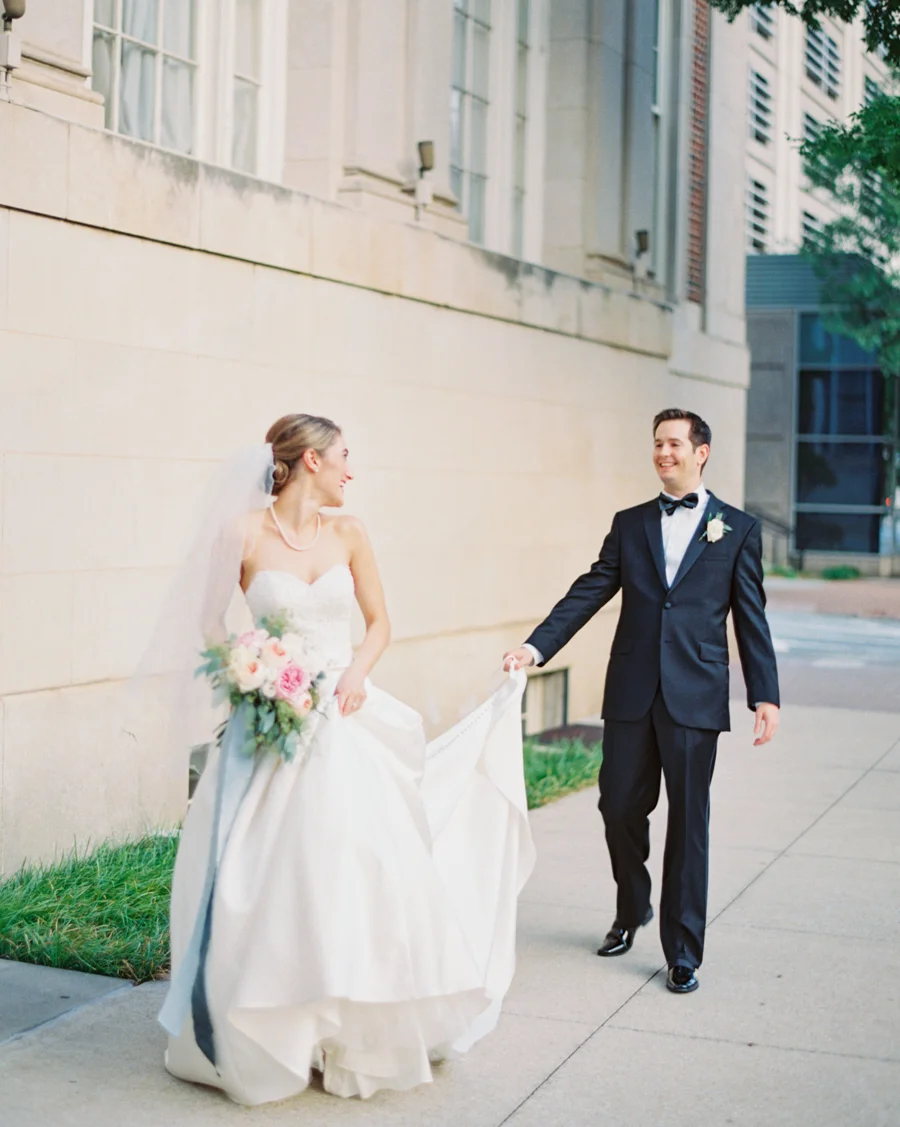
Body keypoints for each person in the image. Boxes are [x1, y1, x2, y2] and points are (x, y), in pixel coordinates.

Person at [154, 414, 535, 1103]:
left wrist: (357, 672)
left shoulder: (351, 533)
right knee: (267, 874)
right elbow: (210, 619)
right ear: (308, 461)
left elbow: (380, 621)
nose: (349, 471)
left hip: (342, 712)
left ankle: (349, 1026)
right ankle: (271, 1024)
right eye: (342, 458)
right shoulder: (241, 531)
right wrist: (253, 666)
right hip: (271, 719)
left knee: (356, 864)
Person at [503, 408, 780, 995]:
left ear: (701, 452)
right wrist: (535, 647)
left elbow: (750, 618)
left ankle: (683, 950)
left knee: (689, 823)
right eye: (657, 443)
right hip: (631, 692)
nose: (663, 453)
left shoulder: (738, 530)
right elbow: (591, 589)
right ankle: (633, 909)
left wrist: (765, 695)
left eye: (675, 443)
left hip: (696, 696)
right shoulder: (629, 524)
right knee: (618, 807)